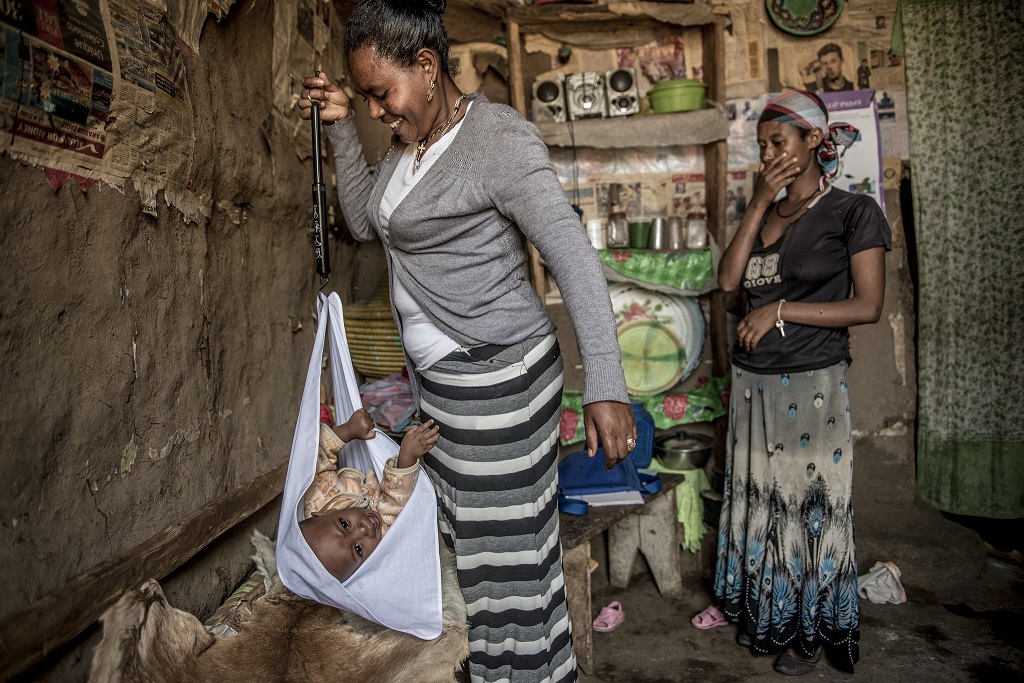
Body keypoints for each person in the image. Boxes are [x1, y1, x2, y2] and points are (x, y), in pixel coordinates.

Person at [297, 1, 635, 680]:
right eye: (363, 96)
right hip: (451, 389)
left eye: (380, 92)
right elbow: (367, 221)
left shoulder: (499, 142)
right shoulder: (407, 145)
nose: (376, 109)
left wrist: (606, 381)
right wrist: (339, 128)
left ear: (425, 67)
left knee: (502, 577)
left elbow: (572, 256)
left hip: (501, 381)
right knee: (497, 566)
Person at [694, 90, 890, 676]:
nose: (770, 154)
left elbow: (869, 305)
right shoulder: (765, 213)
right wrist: (759, 201)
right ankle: (766, 615)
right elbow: (728, 281)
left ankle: (810, 633)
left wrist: (781, 309)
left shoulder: (854, 213)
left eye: (780, 143)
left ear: (813, 142)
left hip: (812, 387)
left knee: (810, 511)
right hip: (754, 389)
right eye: (761, 147)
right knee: (761, 507)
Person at [300, 410, 440, 582]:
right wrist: (407, 458)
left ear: (321, 513)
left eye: (344, 524)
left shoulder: (320, 500)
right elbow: (397, 502)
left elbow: (315, 457)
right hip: (395, 471)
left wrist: (347, 431)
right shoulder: (383, 544)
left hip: (365, 455)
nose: (364, 529)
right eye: (358, 549)